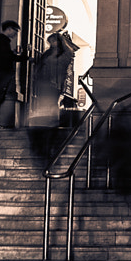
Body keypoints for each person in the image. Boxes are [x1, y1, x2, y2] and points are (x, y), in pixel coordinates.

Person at [25, 22, 81, 168]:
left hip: (55, 84)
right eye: (50, 42)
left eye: (54, 41)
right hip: (44, 84)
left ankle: (51, 126)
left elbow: (69, 56)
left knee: (51, 104)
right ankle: (46, 126)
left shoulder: (64, 54)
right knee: (44, 105)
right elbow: (38, 66)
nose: (52, 43)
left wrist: (63, 40)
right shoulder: (47, 54)